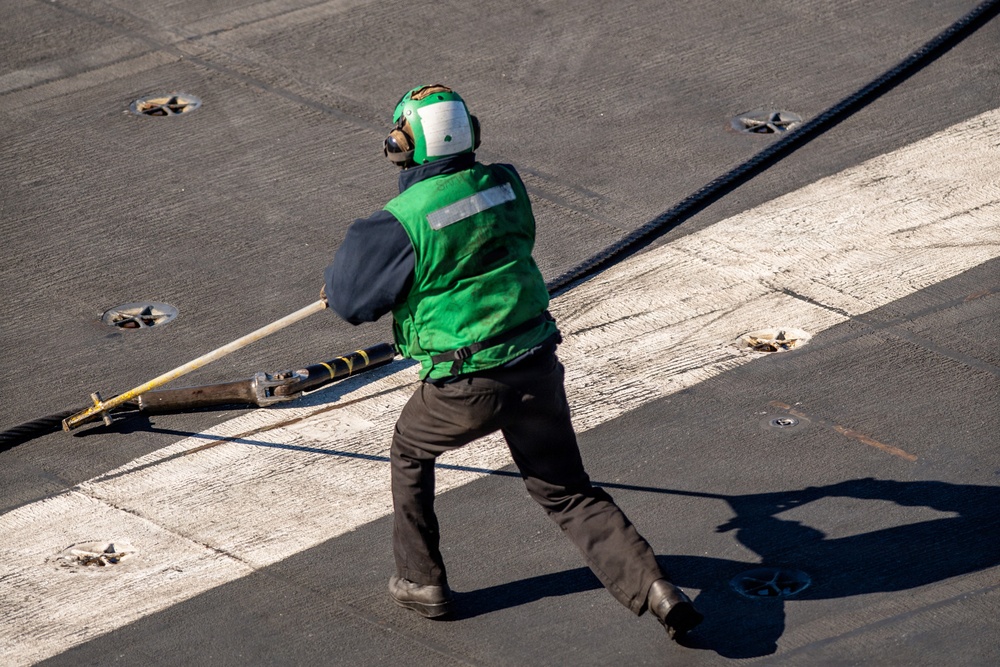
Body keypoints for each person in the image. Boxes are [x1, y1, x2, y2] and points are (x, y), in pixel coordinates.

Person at [322, 84, 703, 640]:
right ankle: (656, 589)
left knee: (409, 450)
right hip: (535, 365)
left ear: (401, 146)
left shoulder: (397, 222)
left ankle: (420, 581)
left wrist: (347, 284)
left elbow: (353, 301)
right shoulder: (505, 185)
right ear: (470, 131)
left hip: (466, 381)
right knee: (568, 491)